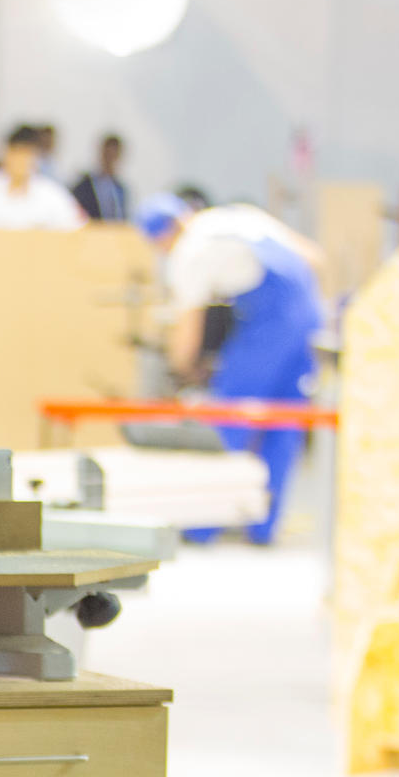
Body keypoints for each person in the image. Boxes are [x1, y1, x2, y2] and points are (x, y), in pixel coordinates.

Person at [139, 193, 328, 544]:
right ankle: (263, 527)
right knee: (284, 422)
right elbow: (314, 258)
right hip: (308, 314)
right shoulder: (237, 216)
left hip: (271, 324)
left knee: (228, 418)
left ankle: (201, 526)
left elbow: (187, 332)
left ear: (164, 235)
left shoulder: (189, 252)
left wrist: (181, 369)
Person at [0, 125, 87, 230]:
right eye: (17, 153)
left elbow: (77, 227)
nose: (21, 161)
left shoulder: (51, 193)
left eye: (27, 155)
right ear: (5, 154)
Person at [70, 133, 131, 223]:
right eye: (108, 155)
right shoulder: (84, 187)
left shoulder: (120, 189)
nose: (110, 160)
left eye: (114, 156)